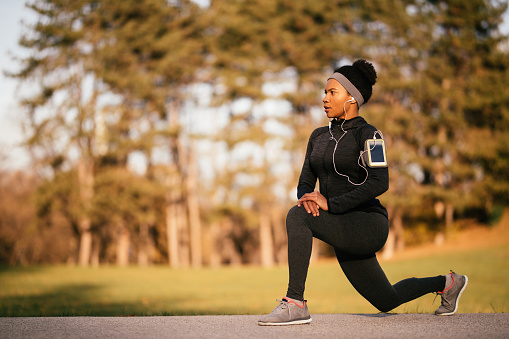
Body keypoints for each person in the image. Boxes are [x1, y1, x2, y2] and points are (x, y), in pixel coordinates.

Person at [258, 59, 468, 326]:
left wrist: (329, 204)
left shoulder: (370, 135)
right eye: (325, 92)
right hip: (342, 226)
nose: (324, 98)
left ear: (352, 98)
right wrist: (307, 198)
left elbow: (380, 182)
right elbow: (305, 181)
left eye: (332, 92)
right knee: (386, 299)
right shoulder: (318, 136)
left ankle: (295, 303)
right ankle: (448, 283)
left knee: (297, 217)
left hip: (368, 224)